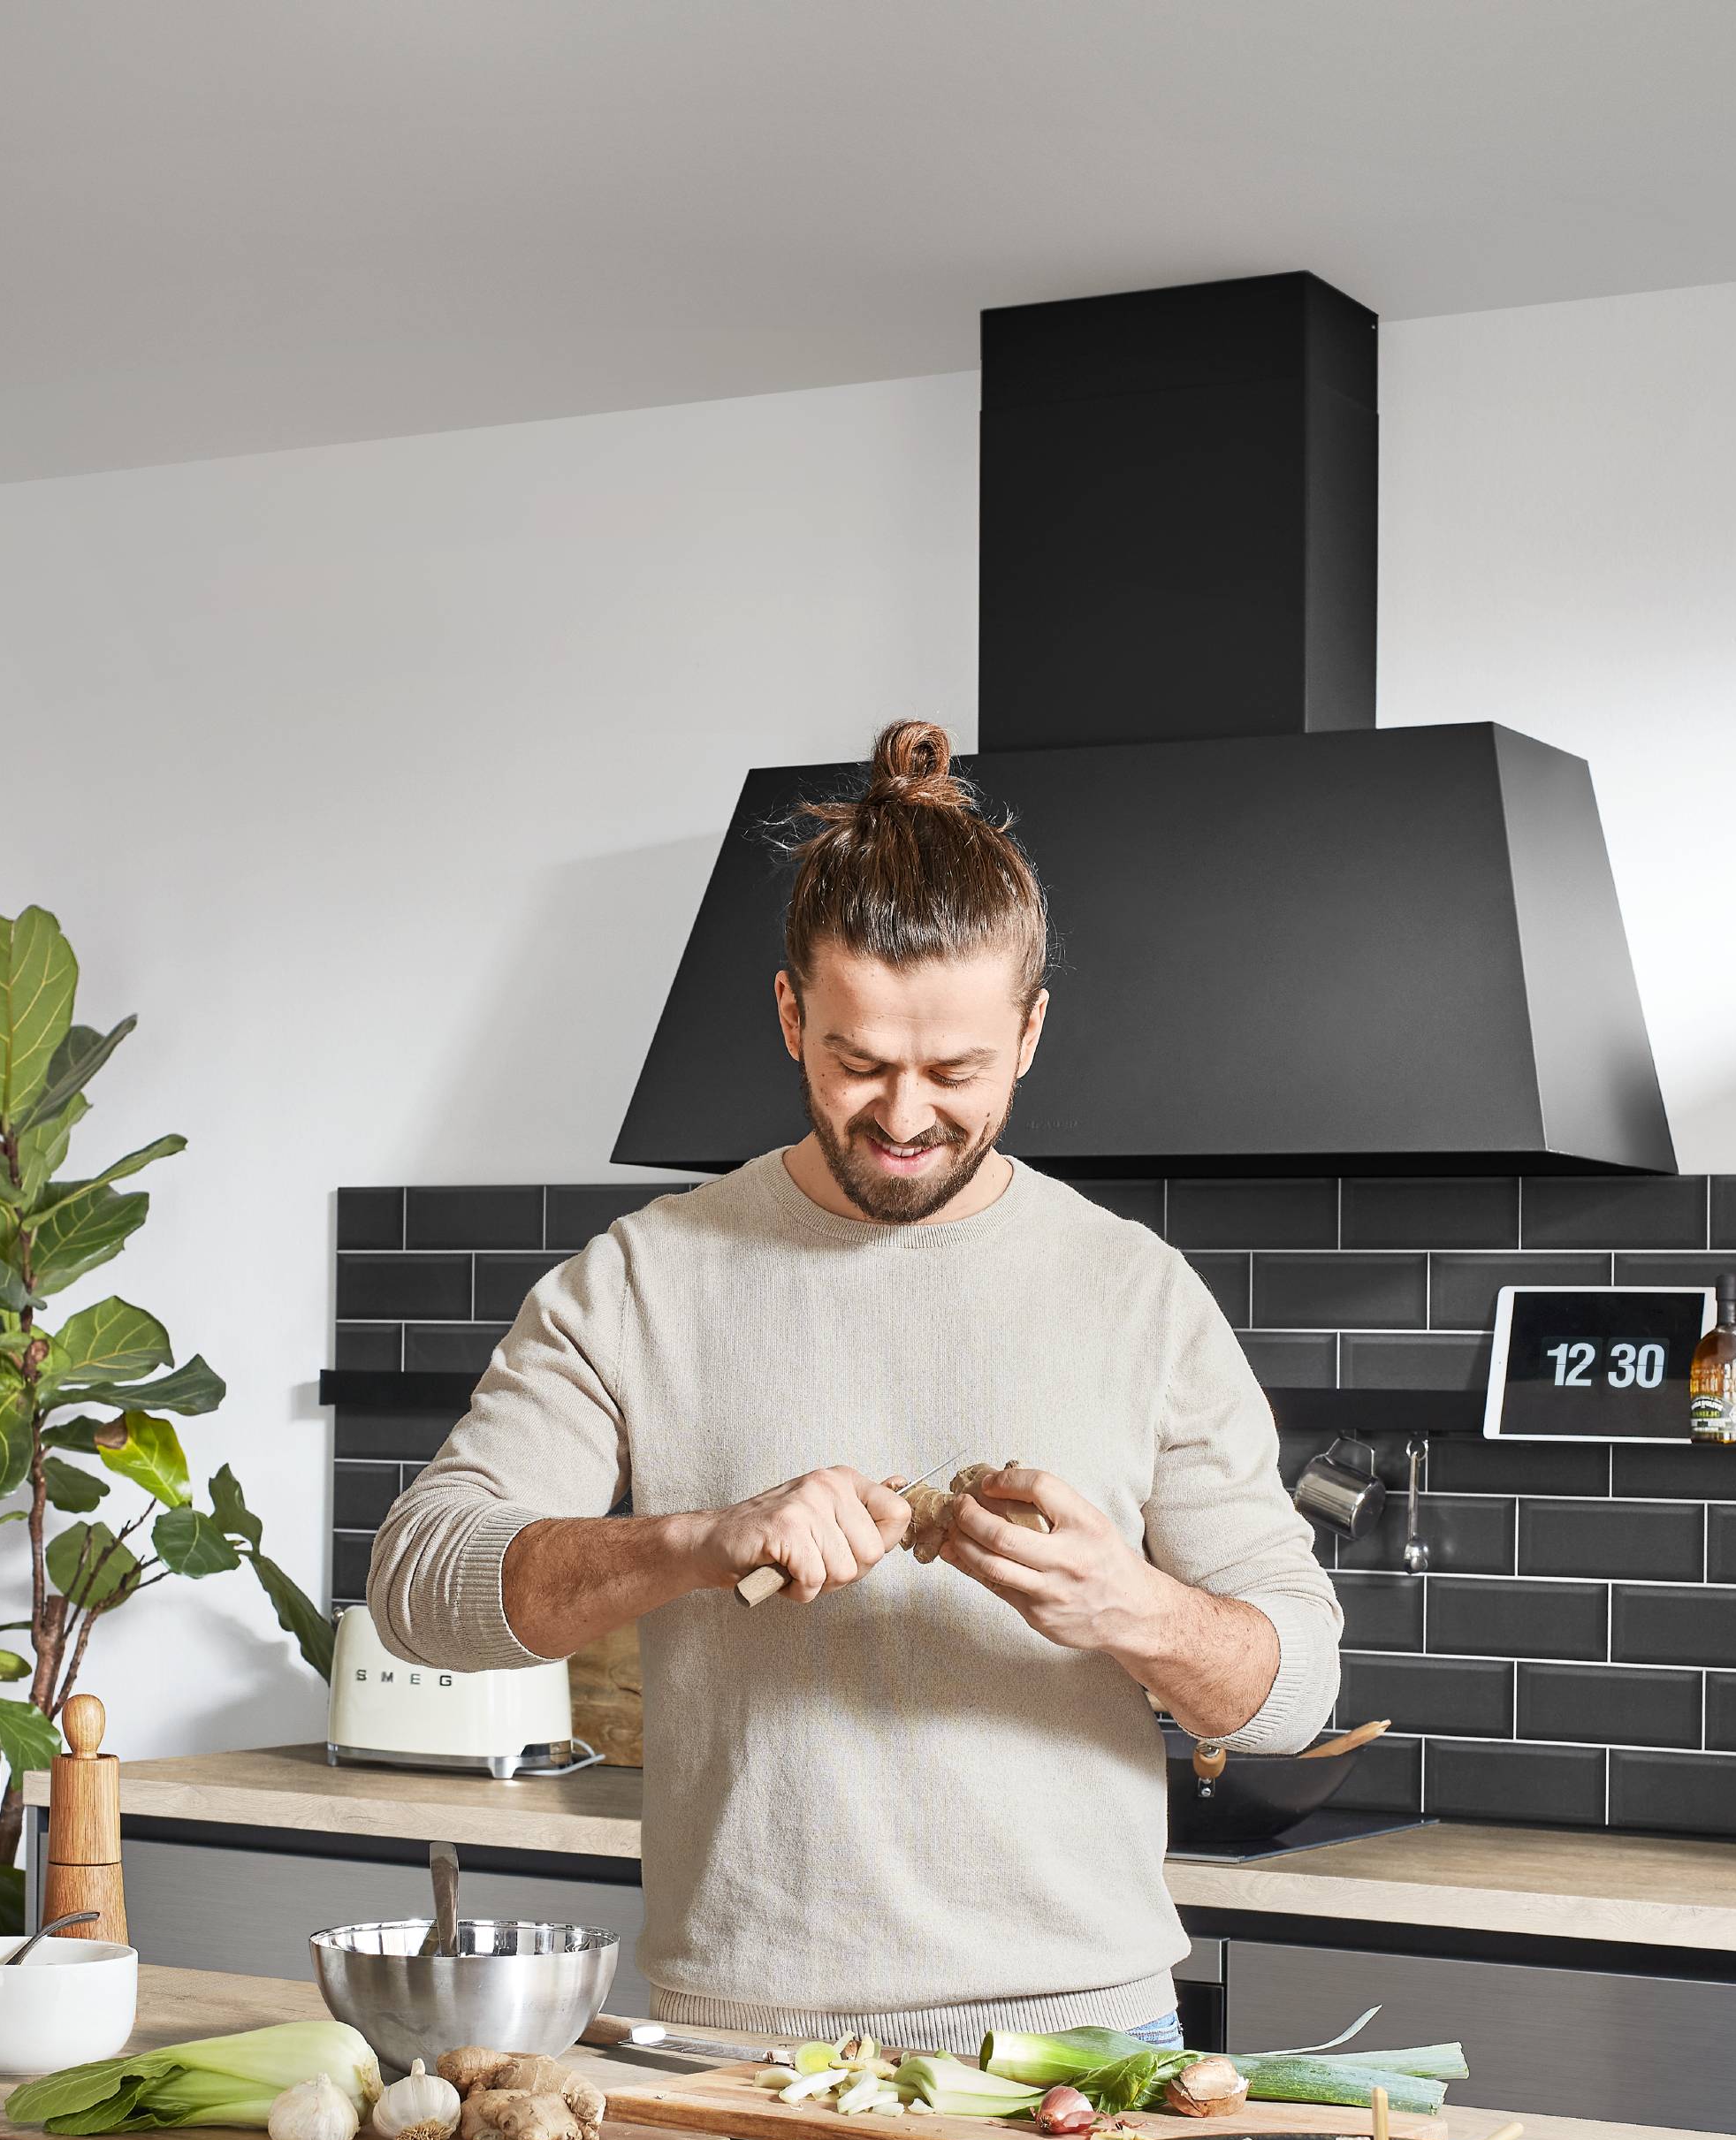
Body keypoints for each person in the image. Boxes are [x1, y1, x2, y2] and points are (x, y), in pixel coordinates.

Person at [368, 720, 1340, 2048]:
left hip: (1078, 2039)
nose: (902, 1116)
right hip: (736, 2036)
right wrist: (698, 1541)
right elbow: (421, 1584)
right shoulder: (642, 1278)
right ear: (788, 1017)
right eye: (857, 1061)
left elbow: (1294, 1693)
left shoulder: (1133, 1291)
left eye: (956, 1071)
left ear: (1030, 1033)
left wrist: (1130, 1607)